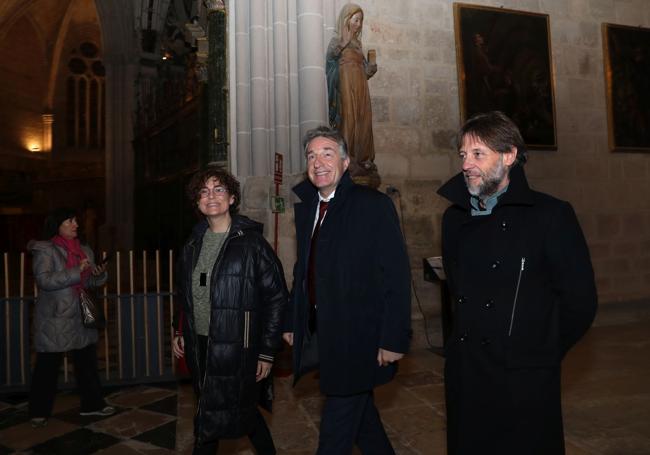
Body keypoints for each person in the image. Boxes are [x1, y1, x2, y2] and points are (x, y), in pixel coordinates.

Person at [437, 111, 597, 454]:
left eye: (478, 154)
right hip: (468, 374)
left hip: (523, 377)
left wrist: (540, 350)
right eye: (463, 155)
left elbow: (580, 300)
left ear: (509, 156)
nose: (467, 164)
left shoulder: (550, 215)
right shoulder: (453, 219)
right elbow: (456, 291)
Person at [283, 126, 411, 454]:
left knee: (335, 435)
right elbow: (304, 270)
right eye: (311, 155)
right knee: (363, 422)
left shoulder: (372, 205)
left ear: (345, 162)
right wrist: (292, 320)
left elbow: (395, 274)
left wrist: (393, 338)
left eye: (327, 153)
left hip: (361, 338)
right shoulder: (309, 206)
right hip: (327, 335)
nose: (318, 162)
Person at [172, 166, 288, 455]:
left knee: (239, 413)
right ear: (197, 201)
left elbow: (276, 298)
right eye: (204, 191)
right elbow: (185, 294)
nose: (211, 196)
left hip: (240, 346)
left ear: (233, 198)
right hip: (201, 344)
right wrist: (179, 329)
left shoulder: (252, 243)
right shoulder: (192, 244)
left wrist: (266, 351)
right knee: (213, 412)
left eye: (219, 189)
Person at [28, 207, 114, 428]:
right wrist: (77, 270)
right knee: (47, 365)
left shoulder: (84, 249)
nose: (75, 224)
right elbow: (44, 280)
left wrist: (98, 274)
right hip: (56, 316)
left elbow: (89, 284)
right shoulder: (45, 250)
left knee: (87, 363)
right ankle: (39, 411)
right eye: (70, 221)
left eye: (76, 220)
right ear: (57, 225)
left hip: (81, 314)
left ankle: (92, 405)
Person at [326, 3, 377, 179]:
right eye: (355, 20)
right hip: (345, 81)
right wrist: (343, 43)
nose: (358, 24)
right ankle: (347, 157)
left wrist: (370, 68)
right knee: (349, 116)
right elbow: (330, 59)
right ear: (347, 20)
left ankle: (363, 157)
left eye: (360, 21)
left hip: (360, 83)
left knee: (363, 117)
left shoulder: (358, 44)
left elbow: (365, 70)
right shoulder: (337, 39)